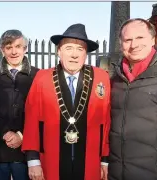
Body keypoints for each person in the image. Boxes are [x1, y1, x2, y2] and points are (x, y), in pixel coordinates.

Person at [22, 23, 111, 180]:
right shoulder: (42, 78)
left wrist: (104, 160)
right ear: (59, 51)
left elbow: (106, 121)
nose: (74, 55)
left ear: (86, 54)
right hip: (51, 160)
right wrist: (33, 160)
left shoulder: (101, 78)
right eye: (69, 48)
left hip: (89, 161)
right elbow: (31, 120)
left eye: (80, 49)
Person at [0, 29, 39, 180]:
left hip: (25, 153)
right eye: (8, 47)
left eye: (18, 46)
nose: (13, 51)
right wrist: (5, 132)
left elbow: (40, 112)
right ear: (1, 49)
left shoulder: (37, 76)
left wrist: (21, 135)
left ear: (25, 48)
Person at [108, 18, 157, 180]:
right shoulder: (116, 79)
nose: (134, 45)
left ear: (153, 39)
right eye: (128, 40)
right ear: (121, 43)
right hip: (117, 172)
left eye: (140, 38)